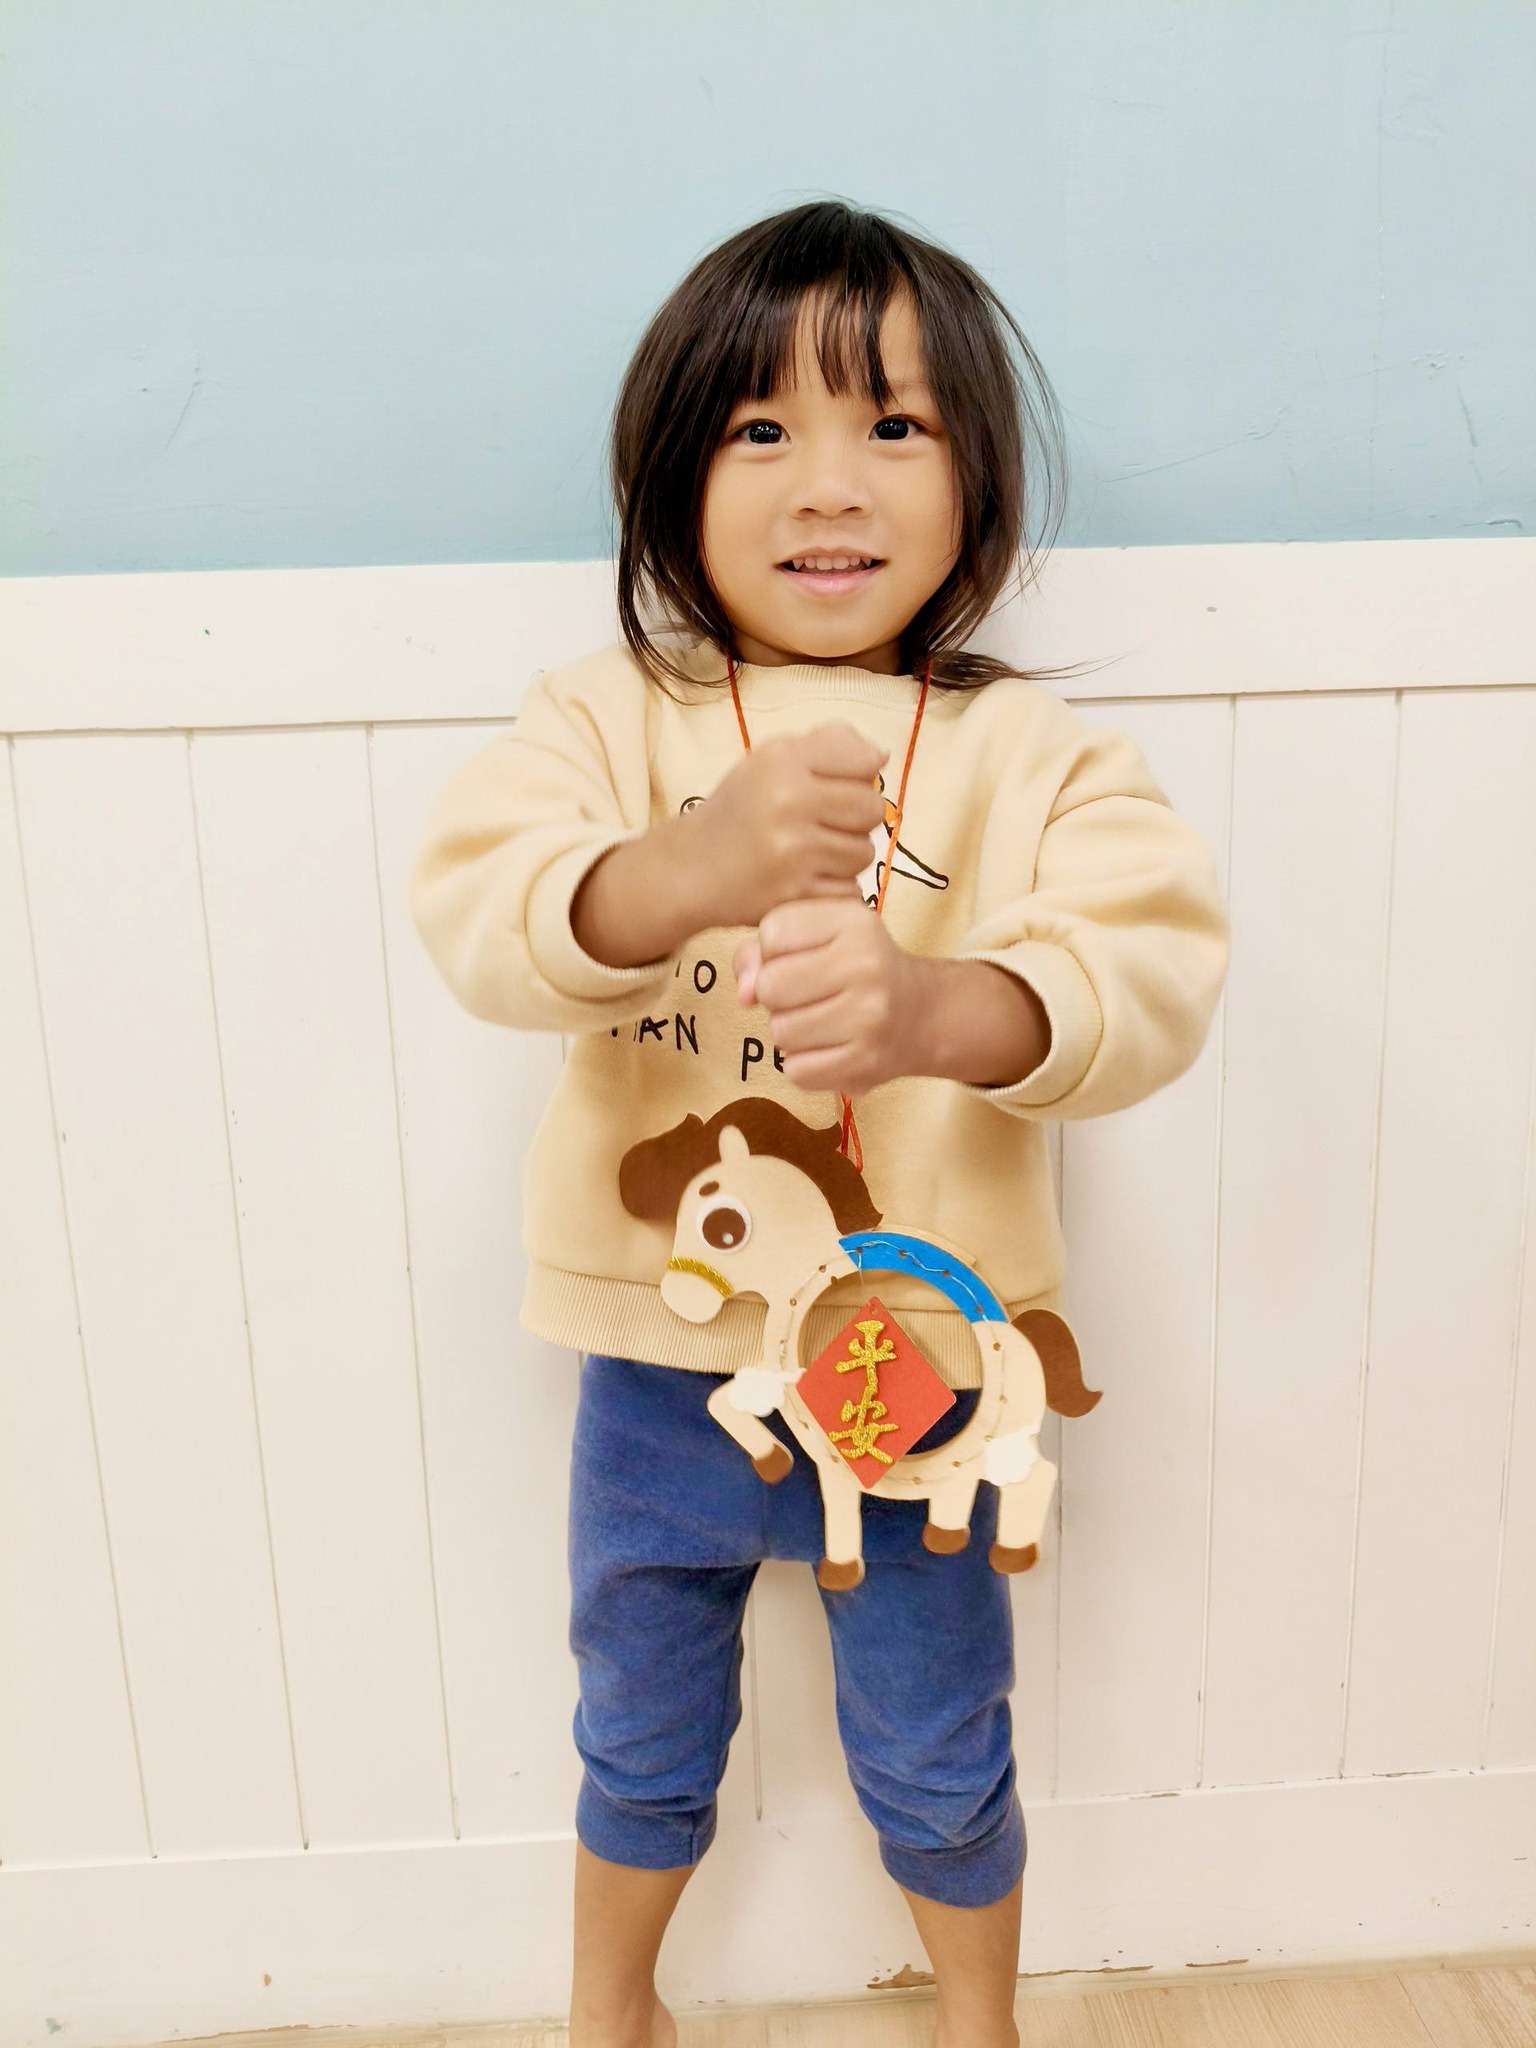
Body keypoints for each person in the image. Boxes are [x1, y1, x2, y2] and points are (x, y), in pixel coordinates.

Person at [410, 200, 1230, 2048]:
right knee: (637, 1727)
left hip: (924, 1355)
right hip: (659, 1355)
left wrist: (937, 1010)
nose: (829, 483)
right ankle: (609, 2008)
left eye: (897, 424)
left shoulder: (1033, 754)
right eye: (762, 427)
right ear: (670, 476)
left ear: (979, 477)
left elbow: (1151, 967)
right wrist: (679, 869)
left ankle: (978, 2020)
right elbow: (481, 908)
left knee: (938, 1735)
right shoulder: (607, 717)